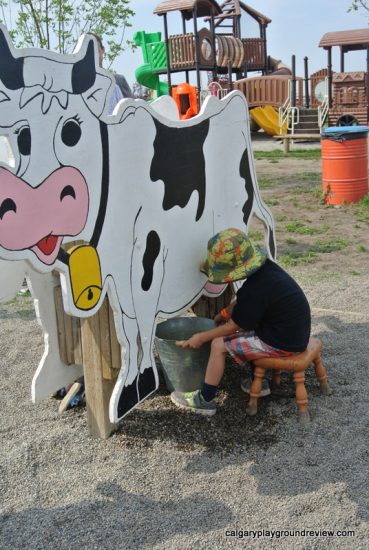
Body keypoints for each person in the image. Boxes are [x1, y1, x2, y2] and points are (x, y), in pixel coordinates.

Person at [170, 228, 311, 416]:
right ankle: (259, 384)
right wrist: (225, 312)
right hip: (293, 333)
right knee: (246, 333)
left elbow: (234, 326)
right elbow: (242, 303)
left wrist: (201, 337)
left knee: (218, 344)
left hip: (283, 343)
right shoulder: (265, 272)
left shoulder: (256, 289)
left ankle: (205, 399)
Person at [86, 32, 133, 100]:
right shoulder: (76, 86)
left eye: (97, 51)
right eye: (89, 53)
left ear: (103, 50)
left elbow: (131, 108)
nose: (94, 56)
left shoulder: (119, 81)